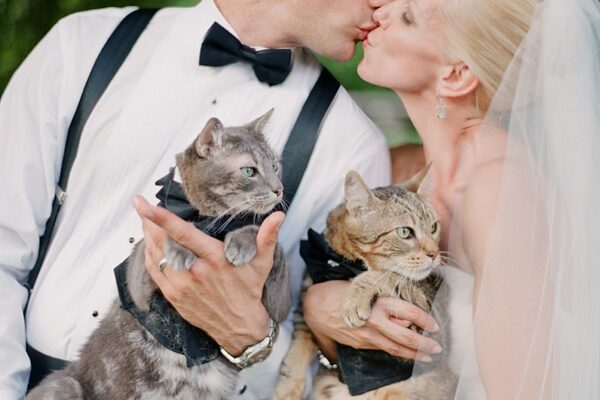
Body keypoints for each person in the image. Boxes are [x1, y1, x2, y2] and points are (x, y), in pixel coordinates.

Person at [0, 0, 397, 398]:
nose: (386, 6)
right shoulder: (80, 46)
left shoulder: (353, 146)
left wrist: (249, 340)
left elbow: (307, 359)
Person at [305, 0, 600, 398]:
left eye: (407, 17)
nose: (381, 13)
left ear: (457, 75)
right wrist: (321, 308)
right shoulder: (410, 175)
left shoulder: (498, 186)